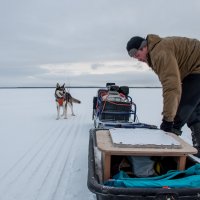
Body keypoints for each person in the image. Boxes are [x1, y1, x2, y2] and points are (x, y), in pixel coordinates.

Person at [126, 34, 200, 157]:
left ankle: (166, 150)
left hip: (196, 69)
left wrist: (167, 120)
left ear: (143, 47)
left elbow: (172, 87)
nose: (138, 59)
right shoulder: (156, 50)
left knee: (181, 111)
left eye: (138, 56)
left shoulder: (159, 53)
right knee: (194, 111)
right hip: (193, 70)